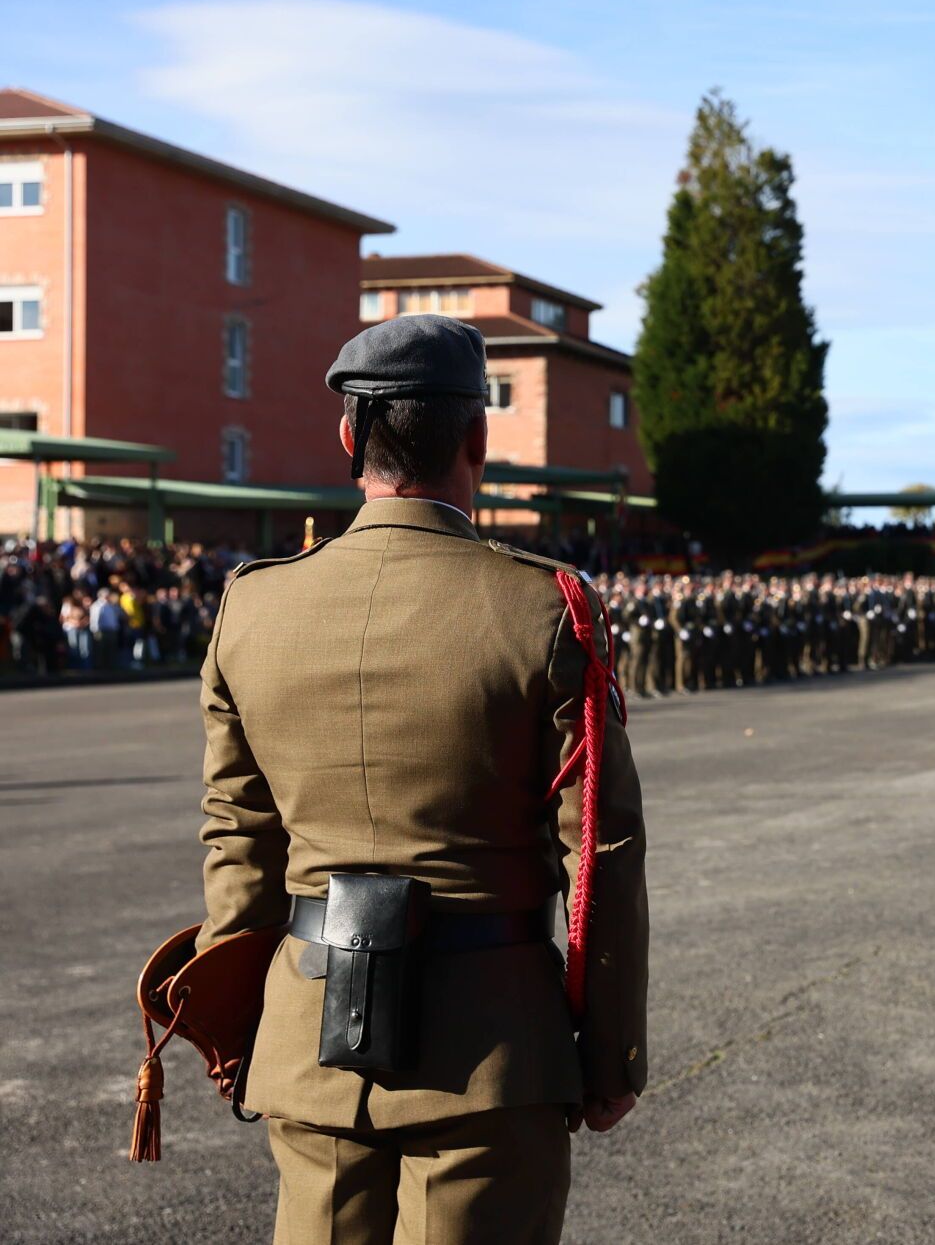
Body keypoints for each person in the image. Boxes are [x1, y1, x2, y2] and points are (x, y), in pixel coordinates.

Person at [191, 315, 649, 1243]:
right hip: (488, 1055)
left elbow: (238, 838)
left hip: (308, 1036)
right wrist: (610, 1056)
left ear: (349, 437)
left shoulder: (254, 603)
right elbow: (600, 850)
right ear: (477, 437)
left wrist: (234, 1028)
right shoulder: (542, 605)